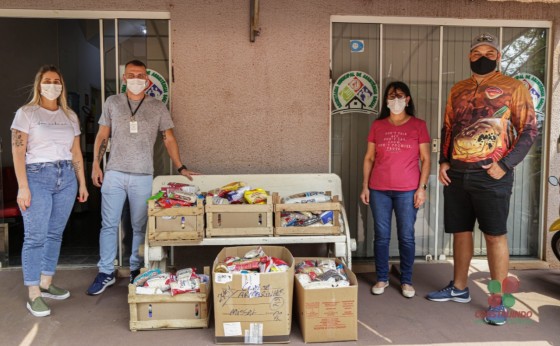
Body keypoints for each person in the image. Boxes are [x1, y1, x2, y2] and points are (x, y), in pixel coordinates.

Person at [426, 33, 537, 326]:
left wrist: (506, 164)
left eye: (489, 51)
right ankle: (459, 288)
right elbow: (449, 127)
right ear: (469, 56)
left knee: (494, 235)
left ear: (498, 56)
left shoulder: (514, 88)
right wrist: (444, 161)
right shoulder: (457, 89)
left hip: (492, 174)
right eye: (477, 52)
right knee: (460, 232)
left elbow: (528, 131)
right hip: (458, 172)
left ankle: (497, 302)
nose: (483, 56)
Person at [86, 60, 198, 295]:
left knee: (139, 226)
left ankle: (136, 270)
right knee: (108, 225)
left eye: (140, 75)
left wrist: (181, 168)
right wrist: (96, 164)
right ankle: (106, 271)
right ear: (124, 78)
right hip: (114, 173)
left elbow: (168, 138)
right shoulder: (113, 102)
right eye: (131, 74)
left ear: (147, 80)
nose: (136, 78)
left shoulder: (157, 106)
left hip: (143, 175)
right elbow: (103, 134)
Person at [11, 65, 89, 317]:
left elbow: (76, 152)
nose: (52, 85)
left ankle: (46, 282)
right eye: (47, 80)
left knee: (55, 233)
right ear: (39, 84)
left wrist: (82, 182)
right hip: (37, 176)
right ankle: (33, 293)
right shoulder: (26, 113)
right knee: (35, 236)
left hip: (66, 176)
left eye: (57, 81)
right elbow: (18, 151)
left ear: (62, 86)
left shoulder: (70, 116)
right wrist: (22, 186)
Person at [360, 81, 431, 298]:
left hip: (408, 190)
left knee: (406, 236)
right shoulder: (378, 125)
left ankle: (407, 280)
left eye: (400, 95)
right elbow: (369, 157)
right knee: (381, 236)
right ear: (386, 100)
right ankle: (382, 277)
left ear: (408, 99)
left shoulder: (418, 125)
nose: (396, 99)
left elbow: (426, 159)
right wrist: (365, 186)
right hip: (379, 189)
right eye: (392, 96)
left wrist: (422, 188)